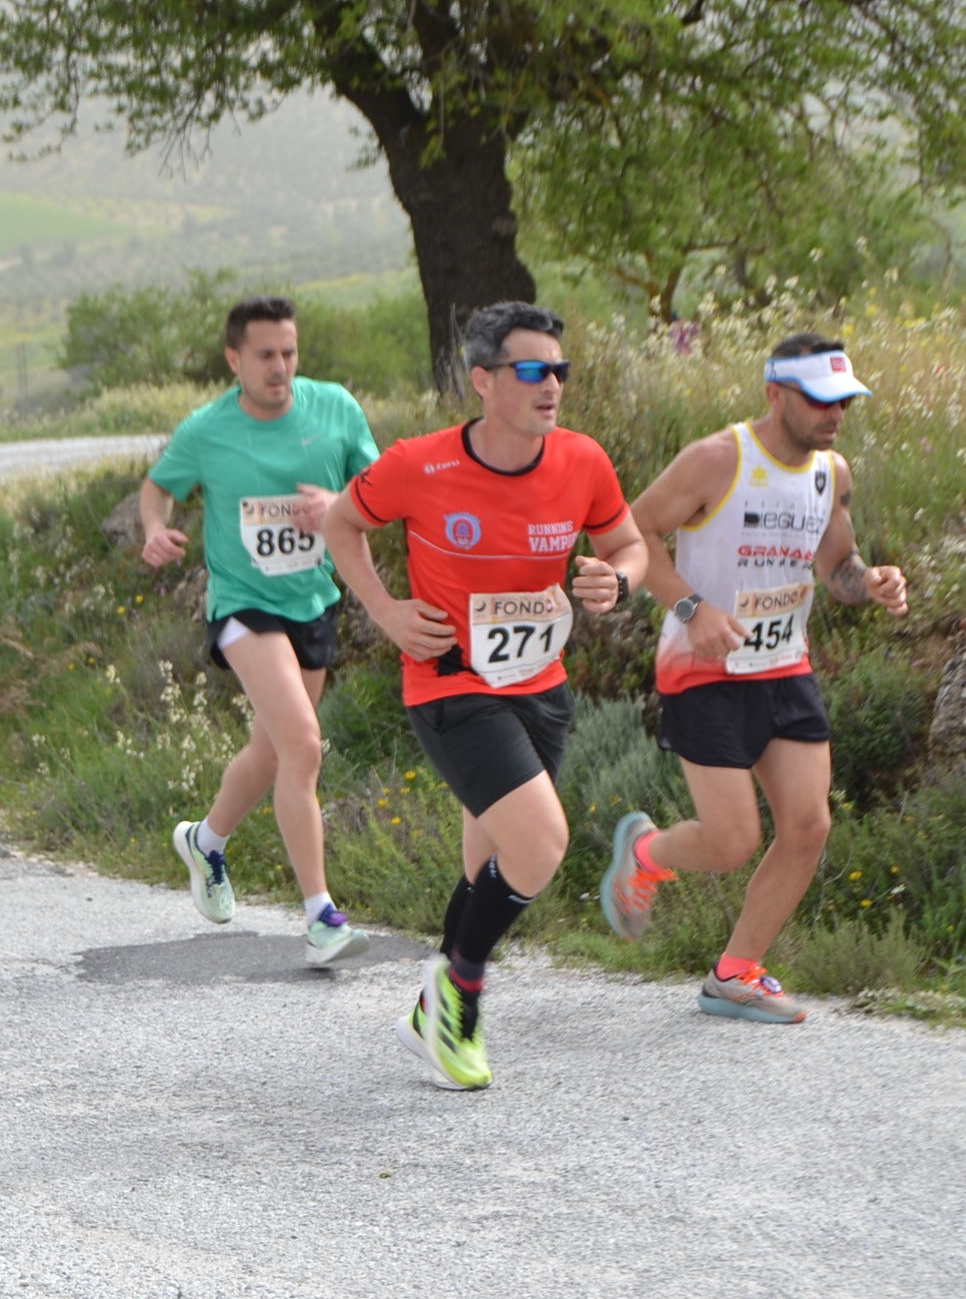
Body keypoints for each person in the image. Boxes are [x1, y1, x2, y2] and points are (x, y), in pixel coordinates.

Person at [323, 302, 647, 1090]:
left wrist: (621, 580)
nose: (552, 386)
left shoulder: (583, 462)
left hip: (541, 687)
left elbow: (630, 544)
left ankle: (435, 1007)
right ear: (482, 381)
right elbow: (341, 524)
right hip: (450, 683)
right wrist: (387, 612)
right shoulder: (420, 464)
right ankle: (459, 994)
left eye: (560, 371)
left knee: (491, 860)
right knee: (540, 844)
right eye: (532, 371)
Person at [601, 332, 909, 1023]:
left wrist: (873, 582)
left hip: (783, 665)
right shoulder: (718, 458)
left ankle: (735, 973)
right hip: (702, 668)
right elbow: (631, 533)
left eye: (844, 401)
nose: (834, 414)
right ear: (775, 393)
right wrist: (691, 607)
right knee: (734, 841)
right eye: (819, 399)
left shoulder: (833, 470)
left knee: (808, 826)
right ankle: (646, 851)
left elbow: (838, 567)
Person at [143, 295, 380, 967]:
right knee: (304, 745)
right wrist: (156, 529)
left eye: (289, 353)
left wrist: (341, 506)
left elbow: (381, 486)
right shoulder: (207, 429)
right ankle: (321, 917)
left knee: (272, 754)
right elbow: (158, 487)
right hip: (243, 606)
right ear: (234, 359)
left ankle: (206, 841)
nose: (280, 368)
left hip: (313, 600)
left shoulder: (334, 408)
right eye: (265, 356)